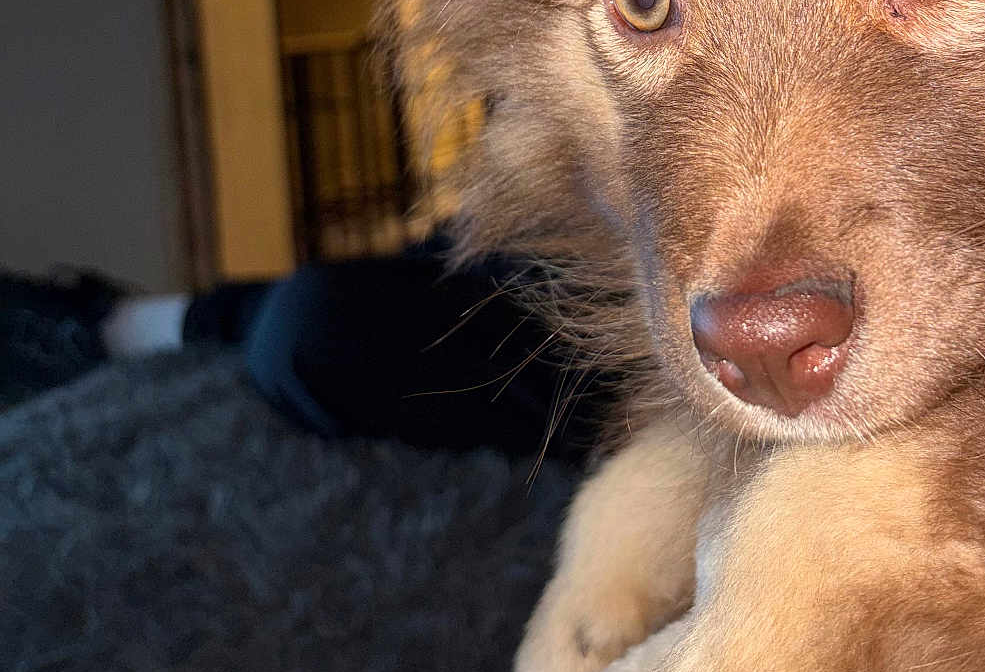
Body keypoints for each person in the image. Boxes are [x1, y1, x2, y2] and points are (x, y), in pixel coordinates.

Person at [0, 241, 614, 463]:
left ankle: (114, 327)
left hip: (603, 351)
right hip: (545, 254)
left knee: (313, 327)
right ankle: (113, 326)